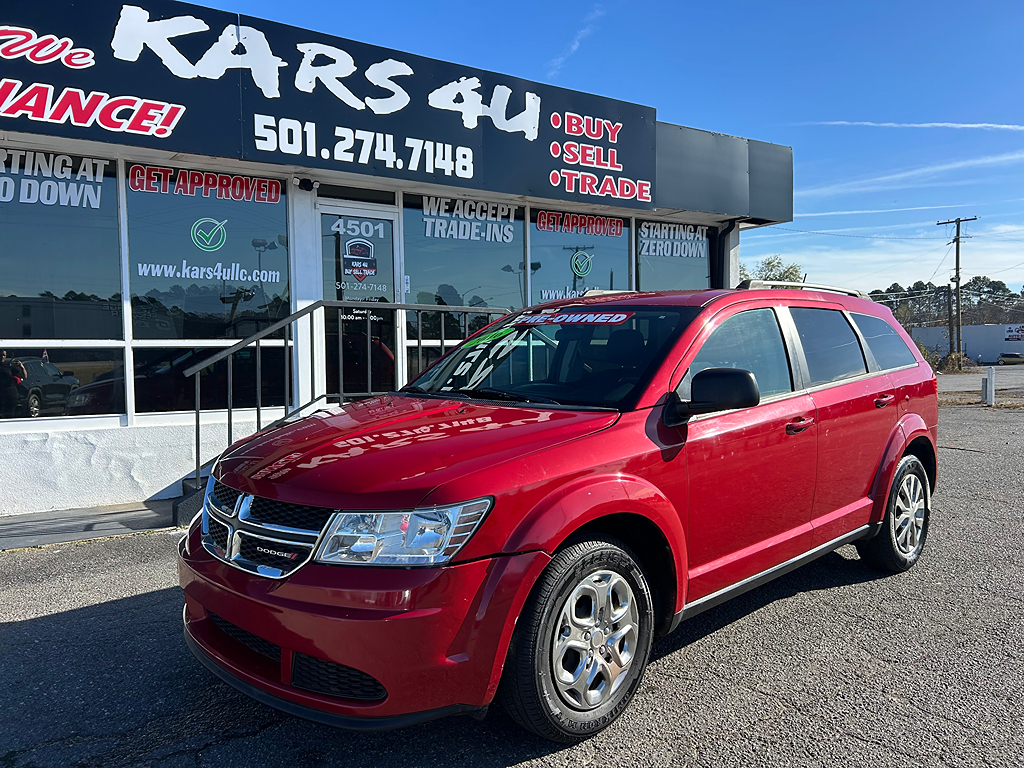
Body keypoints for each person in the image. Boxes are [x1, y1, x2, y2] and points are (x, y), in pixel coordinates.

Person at [0, 350, 27, 419]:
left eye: (3, 355)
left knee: (9, 414)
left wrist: (21, 367)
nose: (1, 357)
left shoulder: (9, 366)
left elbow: (24, 376)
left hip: (10, 394)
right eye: (0, 355)